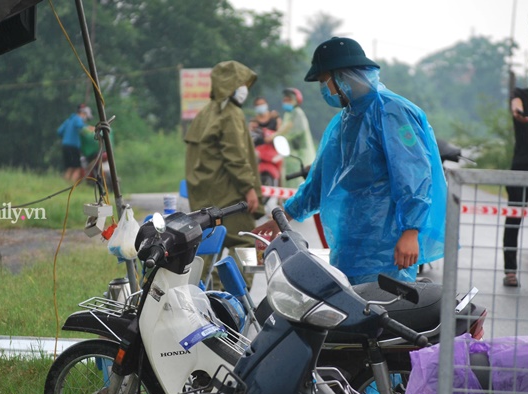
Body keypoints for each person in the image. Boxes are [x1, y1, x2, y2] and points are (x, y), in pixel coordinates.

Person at [254, 37, 447, 285]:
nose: (325, 89)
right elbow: (320, 180)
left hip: (386, 248)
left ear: (343, 76)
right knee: (349, 317)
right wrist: (284, 215)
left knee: (383, 315)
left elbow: (413, 175)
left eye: (325, 81)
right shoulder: (344, 122)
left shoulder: (391, 111)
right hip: (349, 244)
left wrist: (411, 230)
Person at [185, 60, 264, 289]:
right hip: (228, 195)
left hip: (204, 196)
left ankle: (204, 294)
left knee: (208, 247)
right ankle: (235, 298)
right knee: (249, 243)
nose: (245, 89)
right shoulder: (230, 114)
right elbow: (236, 155)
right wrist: (249, 188)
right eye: (242, 83)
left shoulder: (205, 112)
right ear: (232, 84)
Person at [502, 50, 528, 287]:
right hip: (521, 167)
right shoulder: (521, 95)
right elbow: (515, 105)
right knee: (514, 218)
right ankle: (510, 270)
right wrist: (518, 112)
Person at [268, 87, 316, 187]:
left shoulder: (297, 113)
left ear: (296, 100)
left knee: (300, 185)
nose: (286, 102)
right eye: (285, 100)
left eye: (289, 100)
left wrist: (273, 137)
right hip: (290, 155)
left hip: (302, 156)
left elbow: (291, 132)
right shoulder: (288, 114)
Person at [58, 104, 94, 182]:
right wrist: (92, 129)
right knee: (77, 168)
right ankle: (72, 186)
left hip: (65, 146)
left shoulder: (69, 120)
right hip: (73, 147)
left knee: (69, 168)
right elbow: (81, 126)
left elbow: (59, 131)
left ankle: (64, 185)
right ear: (82, 113)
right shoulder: (78, 119)